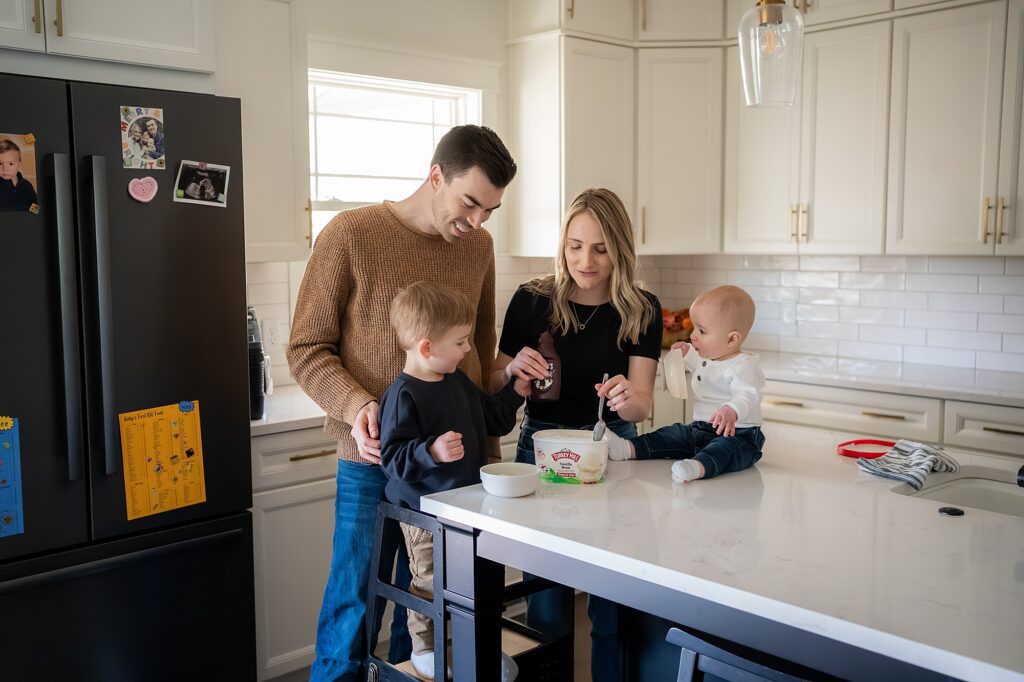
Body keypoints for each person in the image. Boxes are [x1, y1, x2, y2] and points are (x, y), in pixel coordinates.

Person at [287, 124, 516, 682]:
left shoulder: (478, 249)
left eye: (490, 210)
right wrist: (356, 404)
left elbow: (477, 355)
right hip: (370, 461)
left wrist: (494, 430)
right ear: (436, 176)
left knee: (436, 612)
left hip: (454, 472)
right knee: (355, 604)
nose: (478, 222)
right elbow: (304, 348)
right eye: (470, 203)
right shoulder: (349, 234)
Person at [490, 187, 661, 682]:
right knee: (546, 601)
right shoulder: (531, 301)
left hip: (612, 450)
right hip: (541, 447)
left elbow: (645, 403)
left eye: (601, 248)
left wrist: (629, 398)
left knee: (611, 601)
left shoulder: (641, 309)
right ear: (562, 244)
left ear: (621, 249)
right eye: (575, 245)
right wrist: (511, 371)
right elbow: (496, 378)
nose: (586, 260)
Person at [379, 281, 527, 680]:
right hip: (424, 511)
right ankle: (425, 646)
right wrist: (431, 452)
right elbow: (392, 459)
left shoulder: (458, 382)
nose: (467, 350)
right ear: (427, 347)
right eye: (460, 342)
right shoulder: (401, 395)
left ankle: (479, 648)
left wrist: (516, 391)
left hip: (470, 506)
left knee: (480, 583)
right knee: (428, 580)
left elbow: (494, 419)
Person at [606, 285, 766, 482]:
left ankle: (697, 467)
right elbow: (694, 361)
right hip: (699, 429)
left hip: (738, 434)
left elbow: (748, 396)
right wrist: (685, 352)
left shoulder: (744, 366)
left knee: (725, 451)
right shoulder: (708, 356)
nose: (692, 335)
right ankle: (626, 448)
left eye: (702, 331)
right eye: (694, 329)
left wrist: (731, 410)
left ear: (731, 339)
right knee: (671, 434)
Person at [0, 139, 38, 212]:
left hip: (23, 221)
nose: (5, 169)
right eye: (0, 164)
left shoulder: (27, 185)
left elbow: (36, 208)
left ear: (19, 165)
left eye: (11, 163)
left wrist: (30, 211)